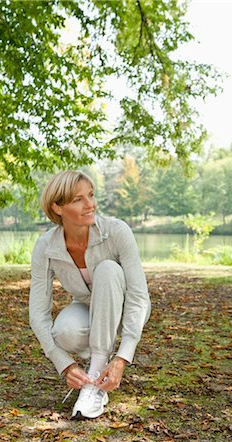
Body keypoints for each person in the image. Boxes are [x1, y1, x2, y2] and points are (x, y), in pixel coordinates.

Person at [29, 170, 151, 420]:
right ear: (58, 207)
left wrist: (122, 357)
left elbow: (139, 298)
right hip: (87, 307)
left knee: (107, 268)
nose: (90, 204)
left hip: (124, 310)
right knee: (64, 330)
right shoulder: (46, 246)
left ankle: (95, 379)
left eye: (91, 195)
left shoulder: (117, 231)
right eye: (78, 199)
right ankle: (96, 364)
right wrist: (64, 363)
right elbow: (38, 313)